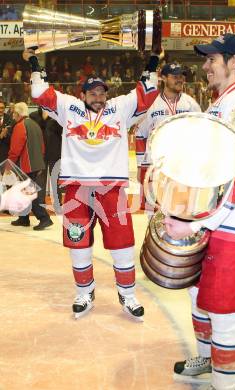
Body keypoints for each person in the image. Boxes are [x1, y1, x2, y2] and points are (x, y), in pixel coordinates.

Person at [164, 34, 235, 390]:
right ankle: (207, 358)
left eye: (212, 59)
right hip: (215, 222)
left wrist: (200, 222)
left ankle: (228, 384)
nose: (205, 65)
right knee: (200, 296)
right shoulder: (218, 105)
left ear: (233, 62)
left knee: (226, 310)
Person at [24, 47, 161, 320]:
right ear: (83, 94)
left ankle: (128, 295)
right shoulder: (68, 107)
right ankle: (85, 292)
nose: (98, 97)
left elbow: (146, 94)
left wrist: (154, 60)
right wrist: (35, 63)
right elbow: (40, 93)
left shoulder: (119, 108)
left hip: (113, 188)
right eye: (93, 93)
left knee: (122, 244)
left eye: (102, 93)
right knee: (79, 243)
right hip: (77, 188)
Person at [135, 62, 201, 213]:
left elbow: (200, 132)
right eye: (175, 76)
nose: (180, 79)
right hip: (155, 165)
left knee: (181, 211)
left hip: (182, 166)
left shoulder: (191, 104)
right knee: (153, 212)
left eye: (182, 76)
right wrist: (140, 165)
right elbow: (140, 134)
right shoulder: (150, 104)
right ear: (163, 78)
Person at [8, 102, 53, 230]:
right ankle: (23, 218)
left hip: (26, 165)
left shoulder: (20, 126)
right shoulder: (35, 124)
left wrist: (9, 164)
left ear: (17, 113)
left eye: (13, 113)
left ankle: (44, 219)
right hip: (37, 164)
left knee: (30, 194)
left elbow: (15, 149)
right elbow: (42, 147)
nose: (12, 116)